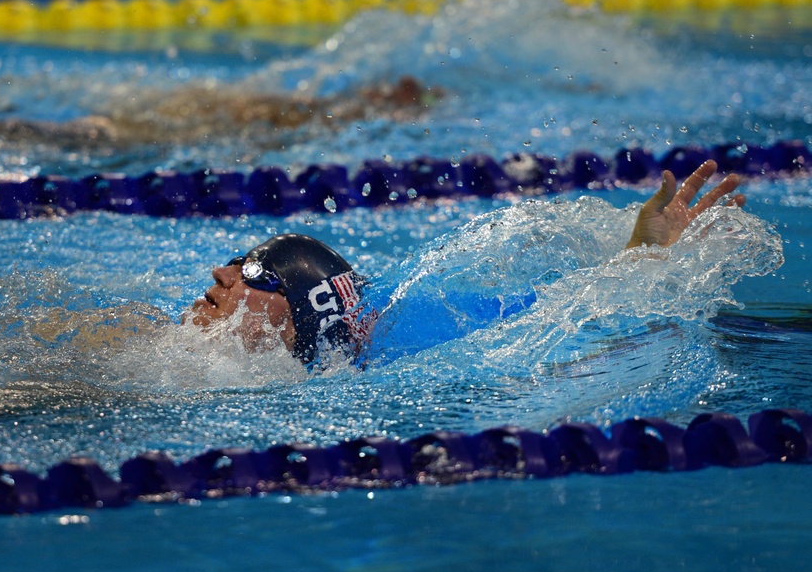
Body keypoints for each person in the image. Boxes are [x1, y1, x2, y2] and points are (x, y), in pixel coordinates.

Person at [187, 160, 746, 368]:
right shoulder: (174, 344)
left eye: (253, 272)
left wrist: (644, 258)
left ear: (310, 312)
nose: (222, 274)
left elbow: (571, 311)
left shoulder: (430, 333)